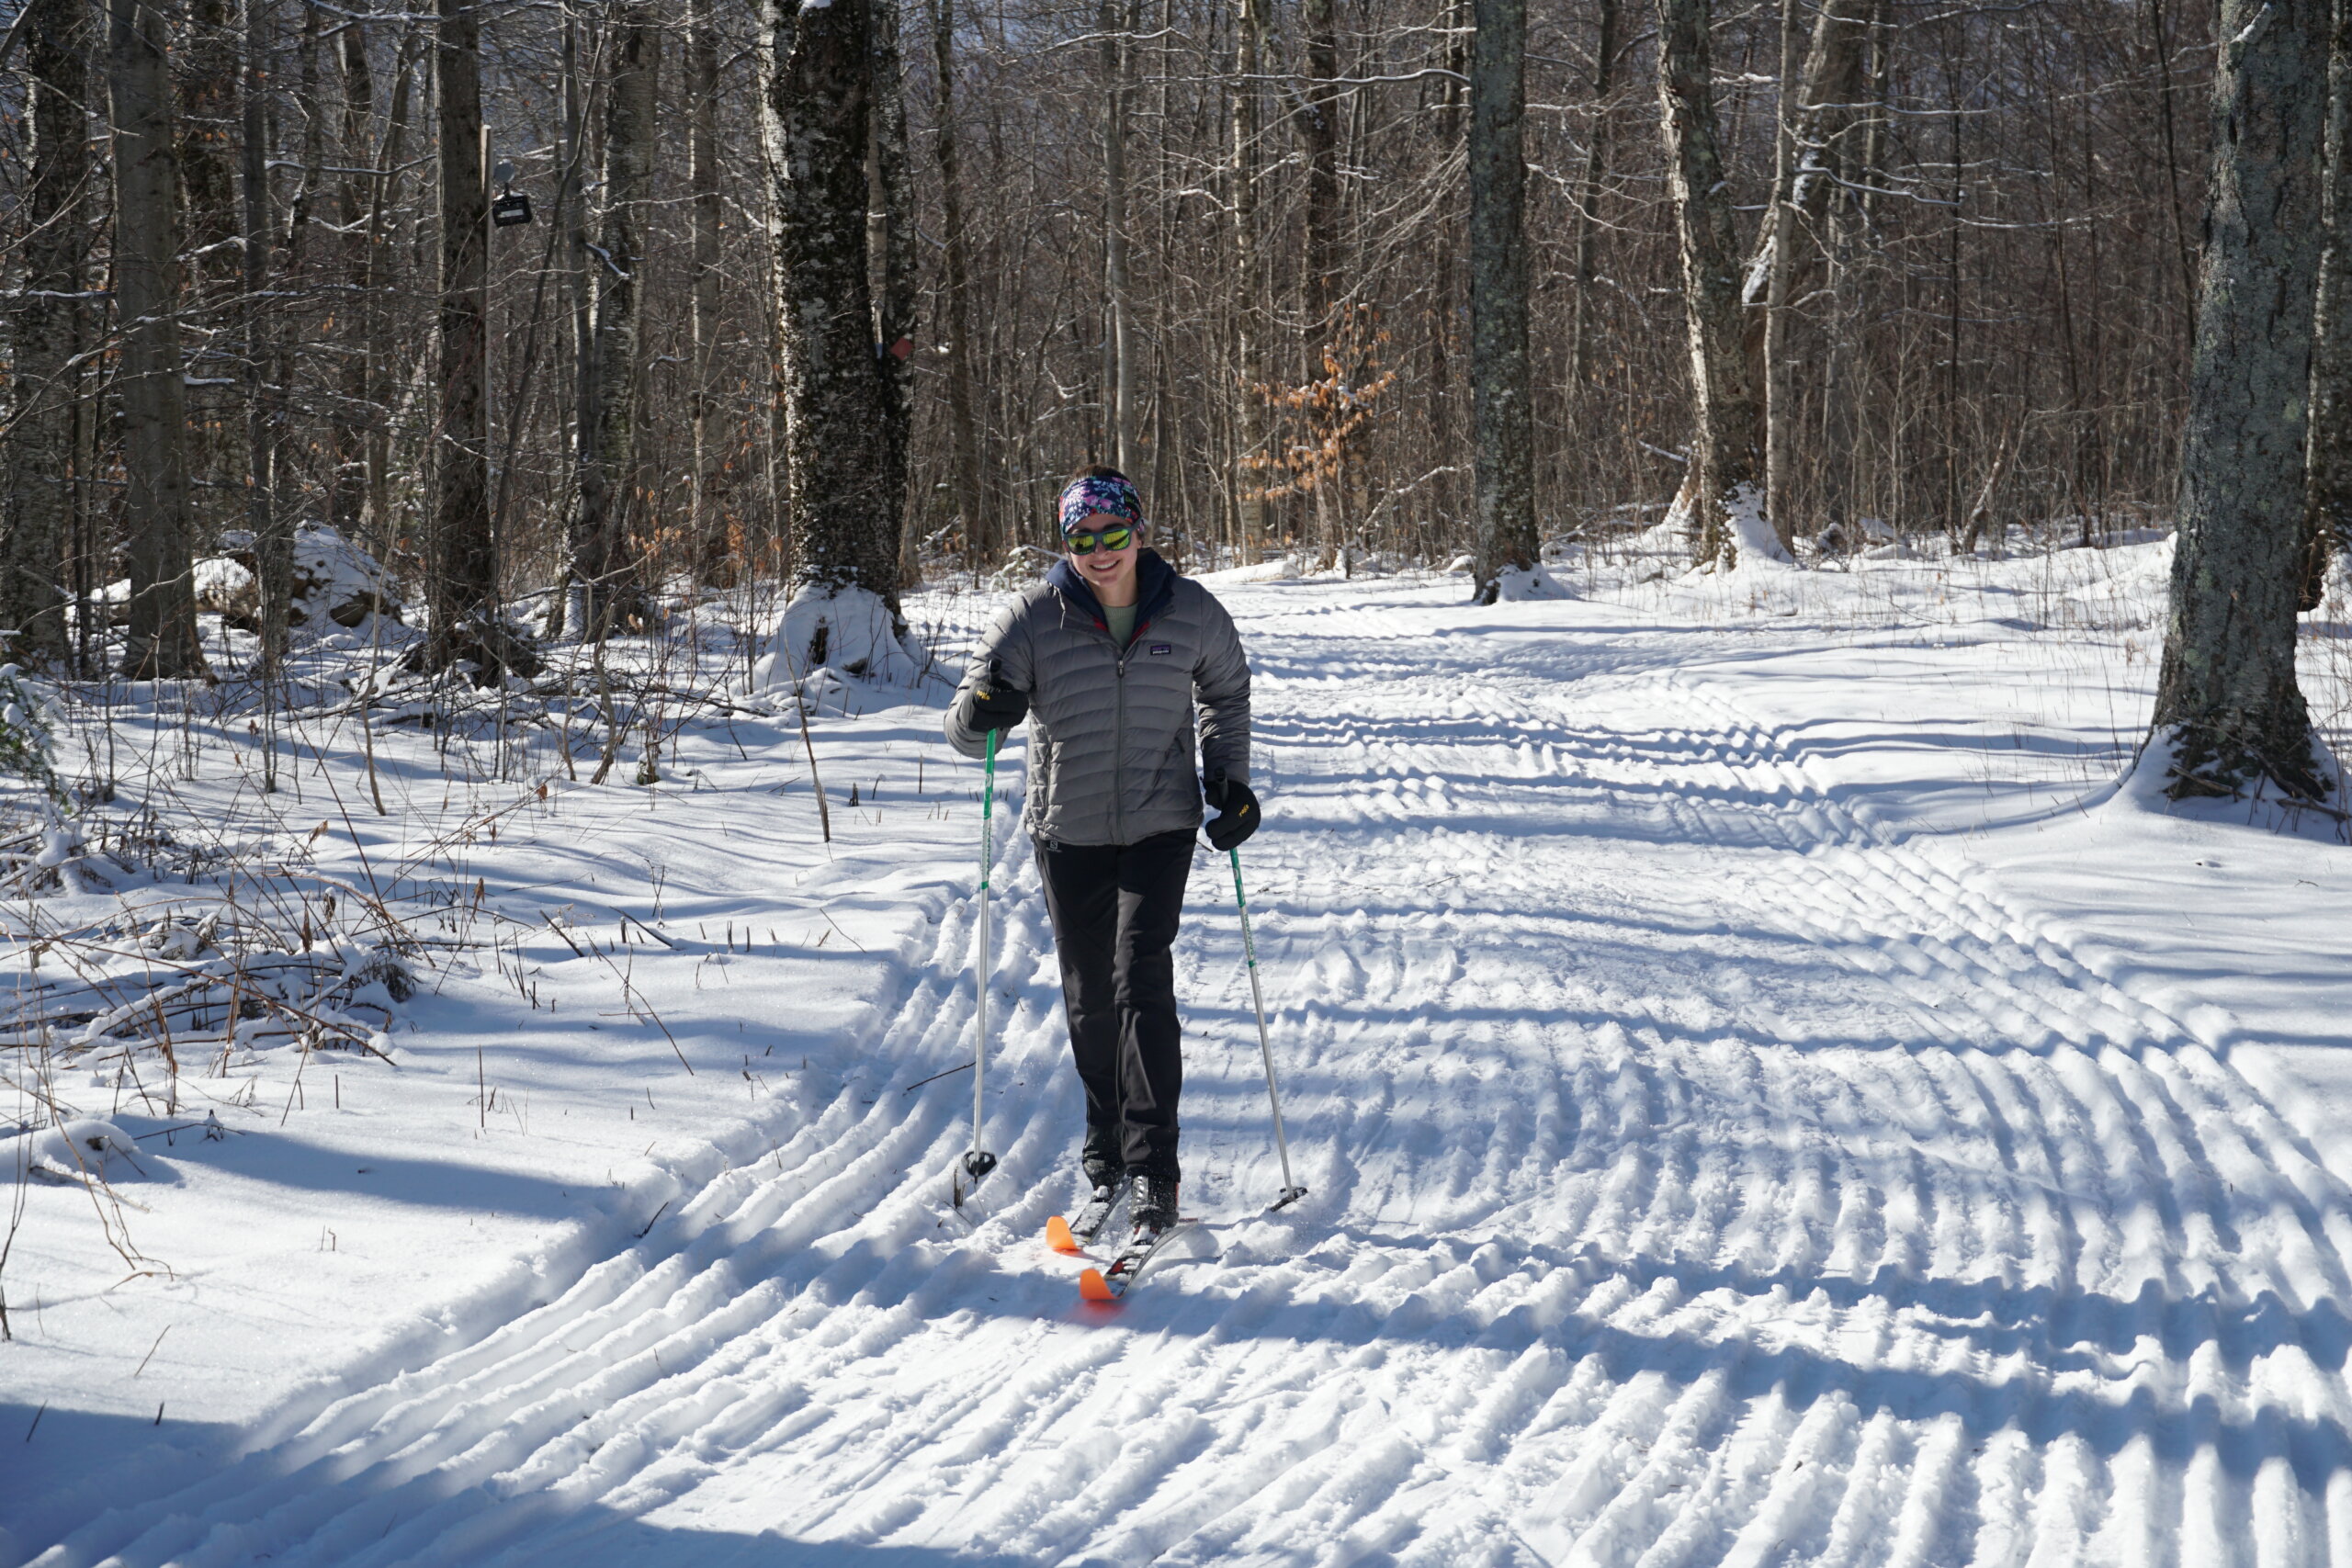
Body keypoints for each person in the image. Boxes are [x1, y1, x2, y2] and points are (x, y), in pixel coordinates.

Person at [944, 466, 1260, 1247]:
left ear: (1139, 532)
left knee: (1138, 974)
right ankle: (1106, 1157)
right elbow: (962, 725)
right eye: (1081, 539)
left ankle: (1156, 1167)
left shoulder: (1190, 611)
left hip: (1160, 824)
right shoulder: (1031, 618)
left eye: (1113, 534)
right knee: (1089, 997)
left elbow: (1227, 688)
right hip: (1069, 832)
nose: (1099, 551)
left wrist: (1231, 778)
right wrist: (985, 712)